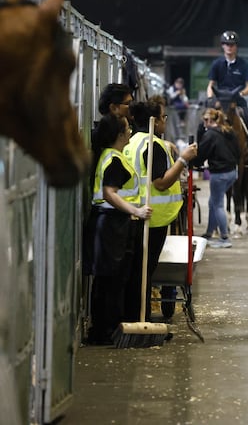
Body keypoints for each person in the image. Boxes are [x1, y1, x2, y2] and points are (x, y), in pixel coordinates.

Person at [124, 97, 198, 321]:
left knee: (137, 272)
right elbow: (161, 182)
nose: (165, 122)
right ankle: (141, 319)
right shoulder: (152, 145)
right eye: (164, 117)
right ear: (155, 122)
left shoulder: (132, 141)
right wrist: (183, 160)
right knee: (144, 273)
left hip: (133, 213)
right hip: (152, 219)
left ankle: (135, 316)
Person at [83, 113, 152, 345]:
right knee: (111, 280)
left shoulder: (112, 156)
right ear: (119, 134)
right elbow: (109, 193)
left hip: (113, 224)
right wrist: (137, 211)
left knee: (109, 280)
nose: (130, 130)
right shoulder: (112, 159)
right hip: (112, 225)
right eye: (127, 127)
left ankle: (104, 330)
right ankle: (106, 331)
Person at [206, 30, 248, 165]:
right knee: (203, 124)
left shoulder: (244, 65)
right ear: (223, 46)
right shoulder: (217, 64)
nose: (229, 47)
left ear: (236, 46)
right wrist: (210, 99)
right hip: (220, 101)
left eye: (232, 44)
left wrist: (240, 94)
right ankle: (201, 156)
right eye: (226, 44)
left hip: (237, 100)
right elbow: (211, 84)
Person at [192, 107, 240, 248]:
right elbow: (238, 152)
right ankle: (208, 233)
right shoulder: (229, 131)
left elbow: (201, 154)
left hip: (219, 174)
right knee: (213, 202)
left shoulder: (210, 135)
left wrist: (194, 163)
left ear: (209, 120)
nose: (204, 124)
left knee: (218, 204)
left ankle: (224, 237)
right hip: (232, 172)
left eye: (205, 121)